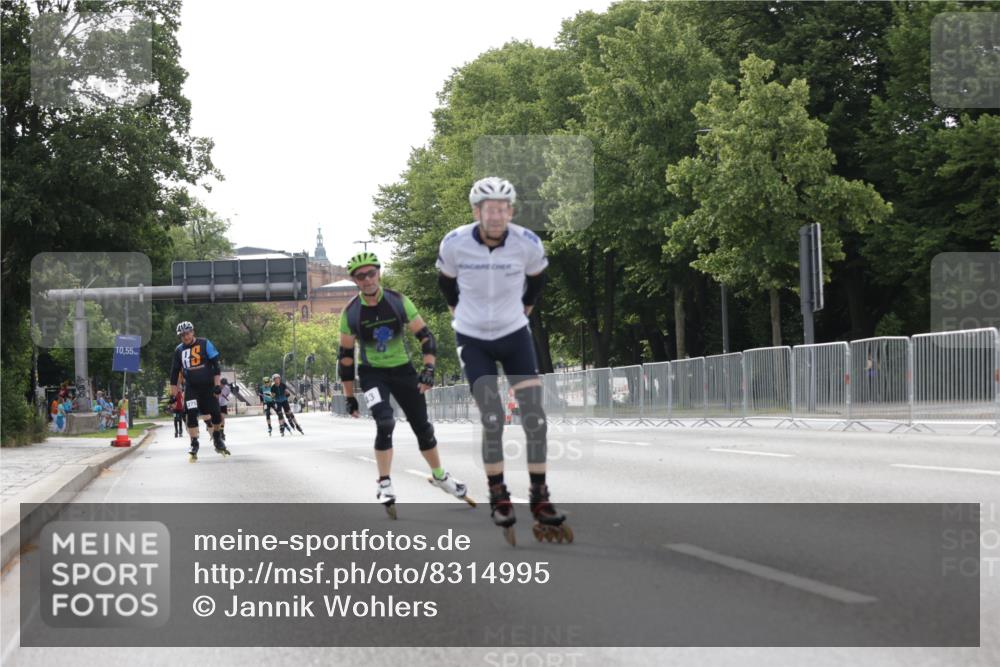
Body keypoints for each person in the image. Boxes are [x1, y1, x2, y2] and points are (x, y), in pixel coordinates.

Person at [436, 176, 571, 544]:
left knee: (534, 416)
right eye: (488, 209)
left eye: (502, 208)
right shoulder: (455, 243)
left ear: (511, 211)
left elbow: (538, 279)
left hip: (514, 335)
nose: (495, 215)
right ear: (476, 211)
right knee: (492, 416)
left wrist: (525, 310)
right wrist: (457, 313)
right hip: (473, 337)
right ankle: (499, 493)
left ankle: (539, 498)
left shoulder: (526, 242)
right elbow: (446, 282)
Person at [338, 251, 473, 518]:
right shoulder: (351, 312)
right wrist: (350, 396)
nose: (367, 280)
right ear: (354, 280)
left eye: (371, 273)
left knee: (422, 428)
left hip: (403, 371)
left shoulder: (398, 301)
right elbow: (344, 358)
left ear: (379, 273)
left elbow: (425, 336)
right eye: (360, 276)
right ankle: (385, 484)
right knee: (385, 421)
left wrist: (429, 369)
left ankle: (440, 476)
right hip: (372, 374)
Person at [169, 320, 229, 461]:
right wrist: (173, 395)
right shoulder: (179, 350)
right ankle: (194, 443)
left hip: (208, 386)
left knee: (215, 413)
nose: (186, 336)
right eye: (182, 335)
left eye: (188, 333)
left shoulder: (205, 343)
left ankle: (216, 437)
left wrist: (217, 385)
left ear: (193, 332)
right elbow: (174, 374)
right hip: (192, 388)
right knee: (191, 413)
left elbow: (216, 366)